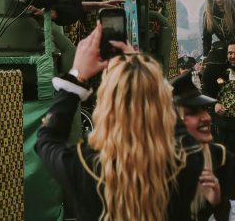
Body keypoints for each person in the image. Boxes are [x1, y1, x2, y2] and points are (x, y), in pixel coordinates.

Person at [36, 24, 217, 220]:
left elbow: (46, 139)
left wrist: (77, 76)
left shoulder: (82, 168)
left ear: (105, 107)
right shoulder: (187, 160)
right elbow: (171, 118)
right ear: (160, 108)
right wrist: (145, 73)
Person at [171, 71, 235, 220]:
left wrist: (219, 204)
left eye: (205, 110)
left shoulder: (222, 160)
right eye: (193, 112)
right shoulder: (158, 167)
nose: (206, 117)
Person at [203, 0, 235, 99]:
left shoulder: (234, 6)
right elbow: (206, 38)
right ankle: (216, 102)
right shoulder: (208, 13)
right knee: (207, 76)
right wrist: (206, 56)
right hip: (222, 47)